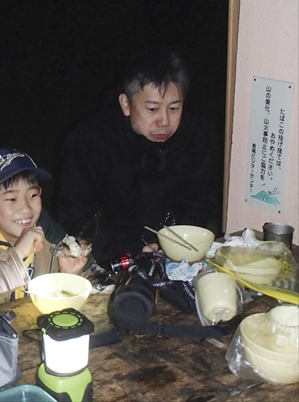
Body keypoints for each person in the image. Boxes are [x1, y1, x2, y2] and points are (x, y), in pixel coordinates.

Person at [57, 48, 219, 267]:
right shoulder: (90, 141)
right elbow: (77, 214)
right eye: (152, 109)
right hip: (110, 257)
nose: (164, 121)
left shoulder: (197, 136)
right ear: (126, 104)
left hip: (177, 253)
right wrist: (132, 248)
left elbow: (201, 201)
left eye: (174, 108)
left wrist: (170, 242)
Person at [0, 148, 89, 306]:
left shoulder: (52, 238)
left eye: (33, 195)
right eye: (12, 199)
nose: (26, 208)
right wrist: (17, 254)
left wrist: (69, 276)